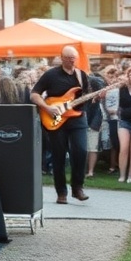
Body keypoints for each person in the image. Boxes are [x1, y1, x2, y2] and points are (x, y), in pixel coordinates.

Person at [30, 45, 91, 204]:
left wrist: (96, 96)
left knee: (81, 151)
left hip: (77, 117)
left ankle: (77, 187)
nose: (72, 61)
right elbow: (34, 94)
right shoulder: (51, 75)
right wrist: (46, 107)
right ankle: (61, 192)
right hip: (56, 119)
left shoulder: (81, 75)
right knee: (59, 155)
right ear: (62, 58)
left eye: (74, 58)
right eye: (69, 58)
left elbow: (87, 95)